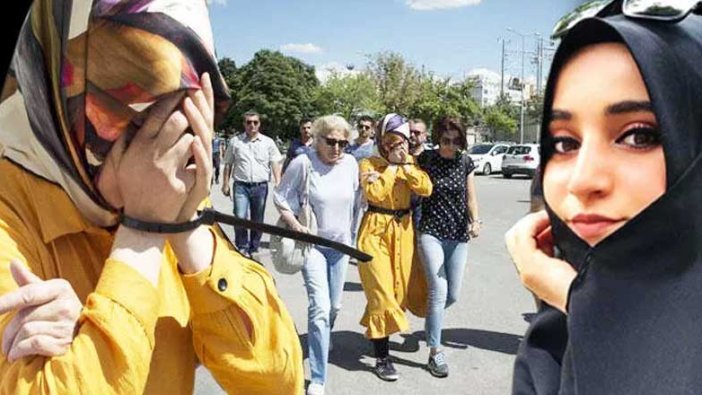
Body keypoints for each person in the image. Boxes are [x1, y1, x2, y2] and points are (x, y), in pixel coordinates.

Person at [0, 1, 303, 394]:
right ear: (65, 104)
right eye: (138, 121)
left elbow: (278, 381)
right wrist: (141, 236)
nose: (161, 155)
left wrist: (184, 229)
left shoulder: (169, 193)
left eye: (182, 118)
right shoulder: (11, 212)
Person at [505, 1, 702, 393]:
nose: (581, 179)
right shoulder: (549, 345)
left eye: (639, 135)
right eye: (564, 142)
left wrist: (583, 303)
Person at [274, 115, 358, 395]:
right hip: (312, 246)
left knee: (334, 307)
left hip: (341, 247)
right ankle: (319, 378)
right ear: (318, 138)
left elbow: (356, 201)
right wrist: (297, 226)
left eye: (343, 143)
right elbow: (281, 196)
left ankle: (323, 335)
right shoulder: (303, 162)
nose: (337, 148)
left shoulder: (350, 164)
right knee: (320, 308)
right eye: (331, 141)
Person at [357, 113, 432, 381]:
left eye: (400, 140)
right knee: (381, 293)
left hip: (403, 231)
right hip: (374, 232)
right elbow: (374, 194)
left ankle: (378, 334)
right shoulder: (369, 163)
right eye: (389, 140)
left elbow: (425, 188)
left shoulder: (410, 162)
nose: (395, 146)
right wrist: (390, 168)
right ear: (381, 139)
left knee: (396, 292)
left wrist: (407, 167)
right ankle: (382, 358)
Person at [416, 116, 481, 378]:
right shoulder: (426, 160)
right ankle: (435, 351)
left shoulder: (464, 162)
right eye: (445, 140)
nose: (450, 146)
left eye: (455, 141)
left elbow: (471, 196)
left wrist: (476, 220)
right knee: (439, 288)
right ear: (438, 138)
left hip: (457, 234)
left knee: (451, 294)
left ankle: (433, 321)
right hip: (430, 232)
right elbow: (402, 169)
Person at [221, 111, 283, 257]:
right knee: (239, 216)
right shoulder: (235, 142)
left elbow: (275, 161)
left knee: (257, 219)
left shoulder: (268, 142)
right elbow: (228, 163)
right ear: (244, 124)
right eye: (248, 122)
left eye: (255, 122)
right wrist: (225, 183)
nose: (252, 125)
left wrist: (278, 181)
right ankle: (242, 246)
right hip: (241, 186)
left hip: (260, 187)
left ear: (259, 124)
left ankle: (254, 247)